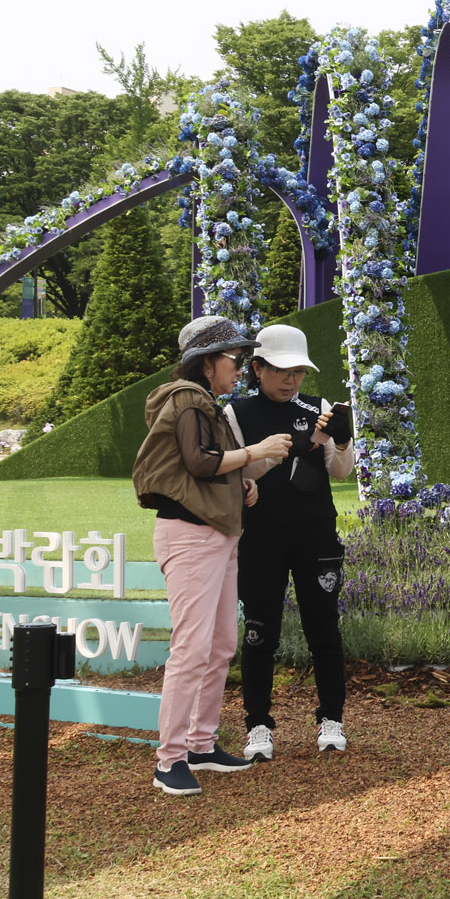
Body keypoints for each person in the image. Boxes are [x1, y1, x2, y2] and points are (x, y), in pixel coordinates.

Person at [131, 316, 293, 797]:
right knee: (192, 648)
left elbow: (202, 468)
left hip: (215, 534)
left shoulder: (203, 403)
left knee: (220, 643)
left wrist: (237, 482)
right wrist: (255, 453)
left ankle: (201, 744)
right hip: (190, 536)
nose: (239, 368)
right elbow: (199, 460)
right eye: (234, 359)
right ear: (207, 362)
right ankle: (170, 760)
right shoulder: (185, 400)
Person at [230, 324, 356, 761]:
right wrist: (270, 453)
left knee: (324, 628)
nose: (291, 380)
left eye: (299, 371)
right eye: (282, 370)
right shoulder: (236, 414)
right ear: (257, 368)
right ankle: (258, 726)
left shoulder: (319, 407)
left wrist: (341, 439)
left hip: (315, 533)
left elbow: (339, 473)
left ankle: (332, 719)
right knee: (259, 632)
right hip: (260, 536)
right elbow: (233, 480)